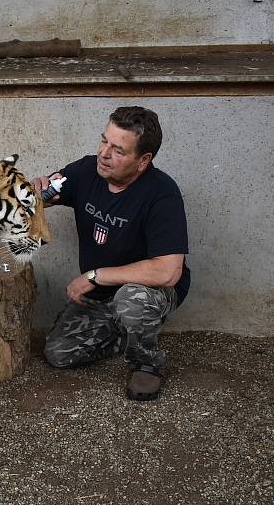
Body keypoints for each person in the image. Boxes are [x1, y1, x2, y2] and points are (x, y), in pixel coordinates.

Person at [32, 106, 189, 401]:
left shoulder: (162, 194)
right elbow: (42, 196)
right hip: (102, 294)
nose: (104, 153)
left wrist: (95, 276)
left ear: (143, 160)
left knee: (132, 299)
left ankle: (147, 363)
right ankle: (124, 331)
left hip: (147, 291)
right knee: (59, 353)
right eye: (104, 140)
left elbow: (168, 271)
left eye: (118, 150)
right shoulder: (86, 170)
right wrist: (33, 191)